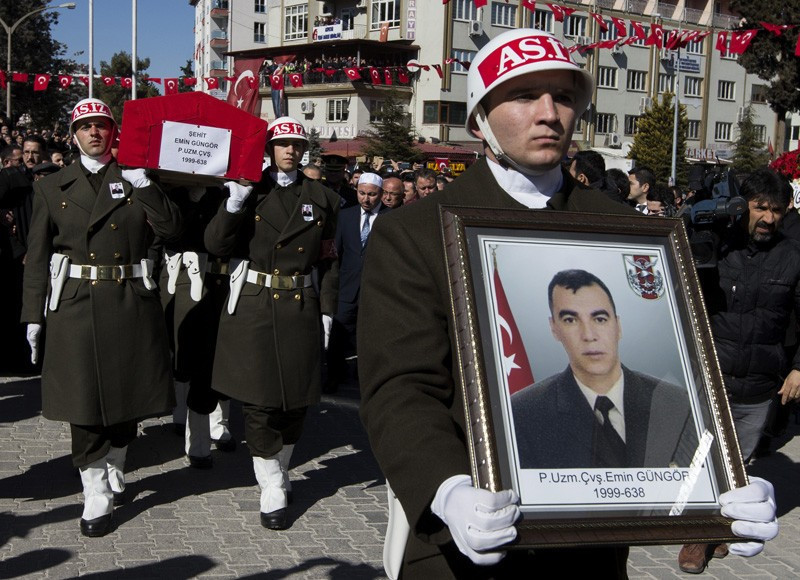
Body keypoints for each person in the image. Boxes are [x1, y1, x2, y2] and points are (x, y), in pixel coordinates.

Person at [358, 28, 778, 578]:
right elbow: (400, 387)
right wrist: (447, 487)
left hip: (589, 555)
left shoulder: (626, 230)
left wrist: (717, 485)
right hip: (466, 549)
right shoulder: (415, 233)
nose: (548, 113)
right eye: (523, 96)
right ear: (479, 119)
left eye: (562, 97)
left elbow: (676, 380)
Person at [21, 98, 180, 537]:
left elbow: (171, 229)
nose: (95, 132)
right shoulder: (52, 187)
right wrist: (33, 314)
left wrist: (143, 184)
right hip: (77, 304)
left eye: (102, 125)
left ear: (114, 132)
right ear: (74, 135)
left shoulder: (135, 176)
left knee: (128, 397)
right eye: (86, 126)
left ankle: (116, 459)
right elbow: (38, 256)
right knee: (84, 401)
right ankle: (94, 489)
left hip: (130, 299)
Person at [204, 116, 340, 530]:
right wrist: (233, 205)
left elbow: (329, 259)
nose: (290, 151)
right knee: (260, 401)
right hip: (256, 302)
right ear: (269, 149)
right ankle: (271, 483)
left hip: (300, 303)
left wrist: (327, 308)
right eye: (282, 144)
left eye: (296, 145)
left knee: (297, 399)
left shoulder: (324, 199)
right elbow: (216, 245)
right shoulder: (249, 190)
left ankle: (280, 466)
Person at [511, 269, 696, 469]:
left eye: (600, 319)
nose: (589, 335)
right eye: (570, 320)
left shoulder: (678, 404)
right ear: (554, 328)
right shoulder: (522, 414)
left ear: (618, 326)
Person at [326, 172, 389, 391]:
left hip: (375, 290)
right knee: (338, 333)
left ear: (381, 194)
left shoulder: (391, 218)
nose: (366, 199)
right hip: (347, 287)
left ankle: (367, 380)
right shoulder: (346, 216)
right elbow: (336, 253)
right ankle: (333, 375)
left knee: (370, 336)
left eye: (372, 194)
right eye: (362, 193)